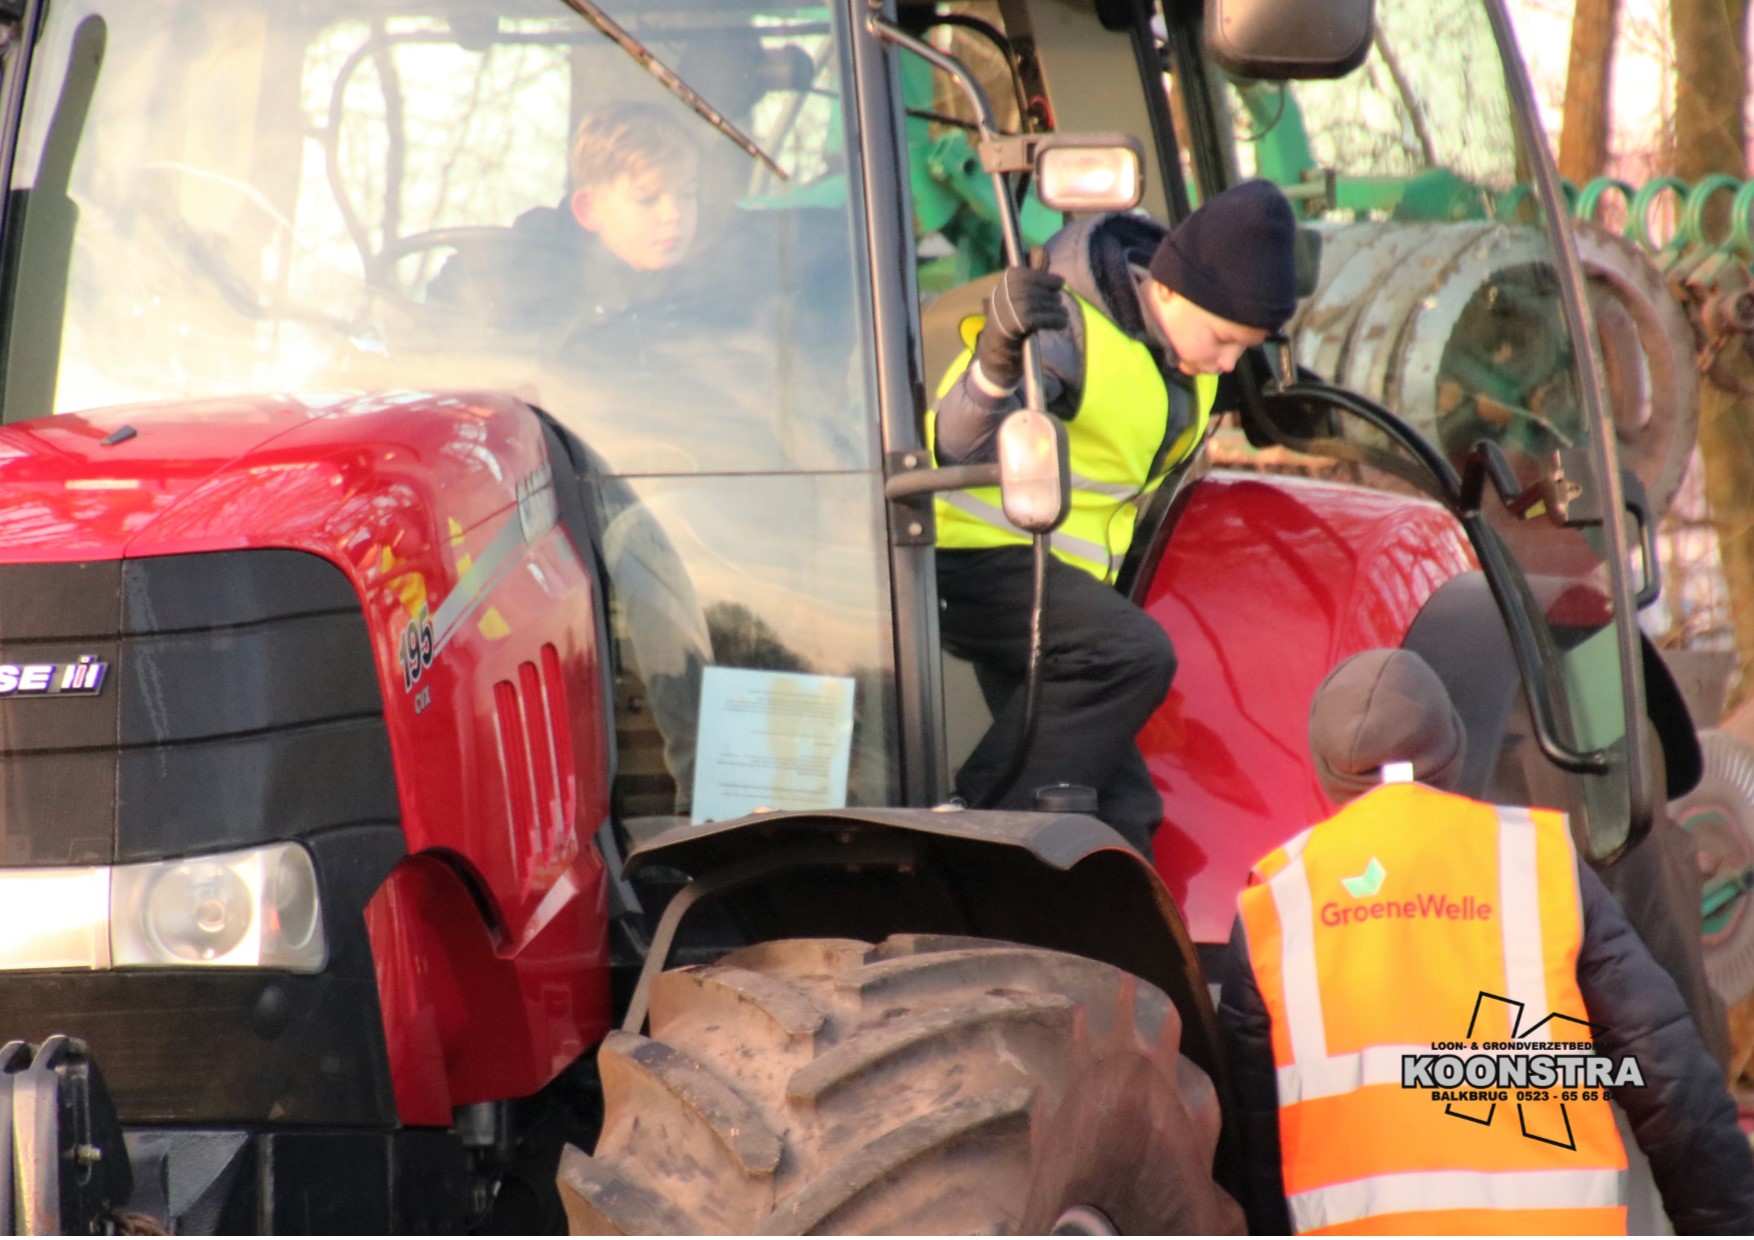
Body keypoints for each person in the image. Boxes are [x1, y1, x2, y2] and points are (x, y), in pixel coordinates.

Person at [1217, 648, 1754, 1235]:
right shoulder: (1536, 861)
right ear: (1453, 754)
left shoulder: (1277, 899)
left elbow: (1255, 1140)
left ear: (1326, 769)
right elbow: (1668, 1077)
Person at [930, 179, 1299, 856]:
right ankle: (961, 836)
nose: (1227, 361)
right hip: (970, 557)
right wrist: (995, 360)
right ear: (1166, 290)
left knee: (1121, 812)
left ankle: (1114, 955)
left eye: (1243, 349)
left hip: (1061, 584)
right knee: (1132, 653)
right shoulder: (1066, 325)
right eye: (1223, 340)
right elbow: (954, 444)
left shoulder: (1185, 351)